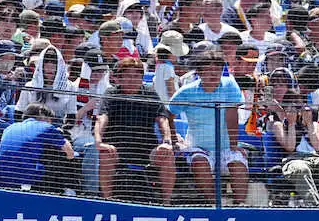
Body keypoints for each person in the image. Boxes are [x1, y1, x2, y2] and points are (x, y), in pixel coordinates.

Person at [168, 49, 247, 204]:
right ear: (199, 72)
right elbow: (168, 115)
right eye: (209, 70)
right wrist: (173, 139)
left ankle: (240, 206)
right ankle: (214, 205)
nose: (213, 74)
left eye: (217, 70)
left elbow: (232, 115)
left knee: (238, 164)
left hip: (226, 147)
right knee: (199, 163)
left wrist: (233, 145)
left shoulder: (230, 84)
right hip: (198, 147)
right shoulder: (186, 91)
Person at [96, 57, 174, 203]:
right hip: (117, 149)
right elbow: (102, 118)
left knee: (167, 155)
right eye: (128, 75)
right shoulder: (111, 93)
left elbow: (162, 119)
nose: (132, 79)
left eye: (136, 75)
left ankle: (166, 202)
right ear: (119, 77)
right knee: (105, 155)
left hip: (146, 149)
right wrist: (99, 142)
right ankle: (107, 200)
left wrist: (167, 142)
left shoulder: (150, 93)